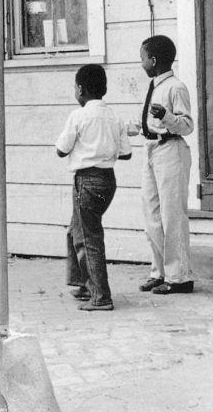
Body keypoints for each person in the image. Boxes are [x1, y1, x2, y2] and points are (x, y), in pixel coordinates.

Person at [55, 63, 132, 312]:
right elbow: (126, 153)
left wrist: (88, 150)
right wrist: (102, 150)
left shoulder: (78, 116)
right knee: (77, 229)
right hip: (108, 181)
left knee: (88, 238)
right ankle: (84, 283)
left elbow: (61, 149)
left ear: (80, 89)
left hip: (86, 180)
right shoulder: (115, 117)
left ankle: (100, 296)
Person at [129, 34, 195, 295]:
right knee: (152, 215)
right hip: (152, 149)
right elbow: (149, 123)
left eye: (143, 59)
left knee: (172, 216)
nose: (141, 64)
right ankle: (160, 272)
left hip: (171, 151)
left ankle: (180, 277)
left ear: (154, 60)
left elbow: (187, 125)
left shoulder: (175, 87)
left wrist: (167, 117)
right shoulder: (155, 86)